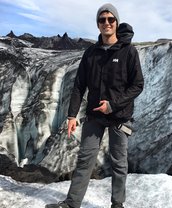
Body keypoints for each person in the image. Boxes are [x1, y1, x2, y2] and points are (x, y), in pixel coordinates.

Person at [45, 3, 144, 208]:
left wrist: (113, 105)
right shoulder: (90, 53)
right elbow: (79, 85)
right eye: (102, 20)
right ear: (98, 25)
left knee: (119, 163)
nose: (106, 23)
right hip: (94, 116)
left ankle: (117, 205)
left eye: (110, 19)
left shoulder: (129, 52)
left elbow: (137, 85)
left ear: (116, 23)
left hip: (119, 116)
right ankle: (72, 204)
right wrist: (72, 116)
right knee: (85, 160)